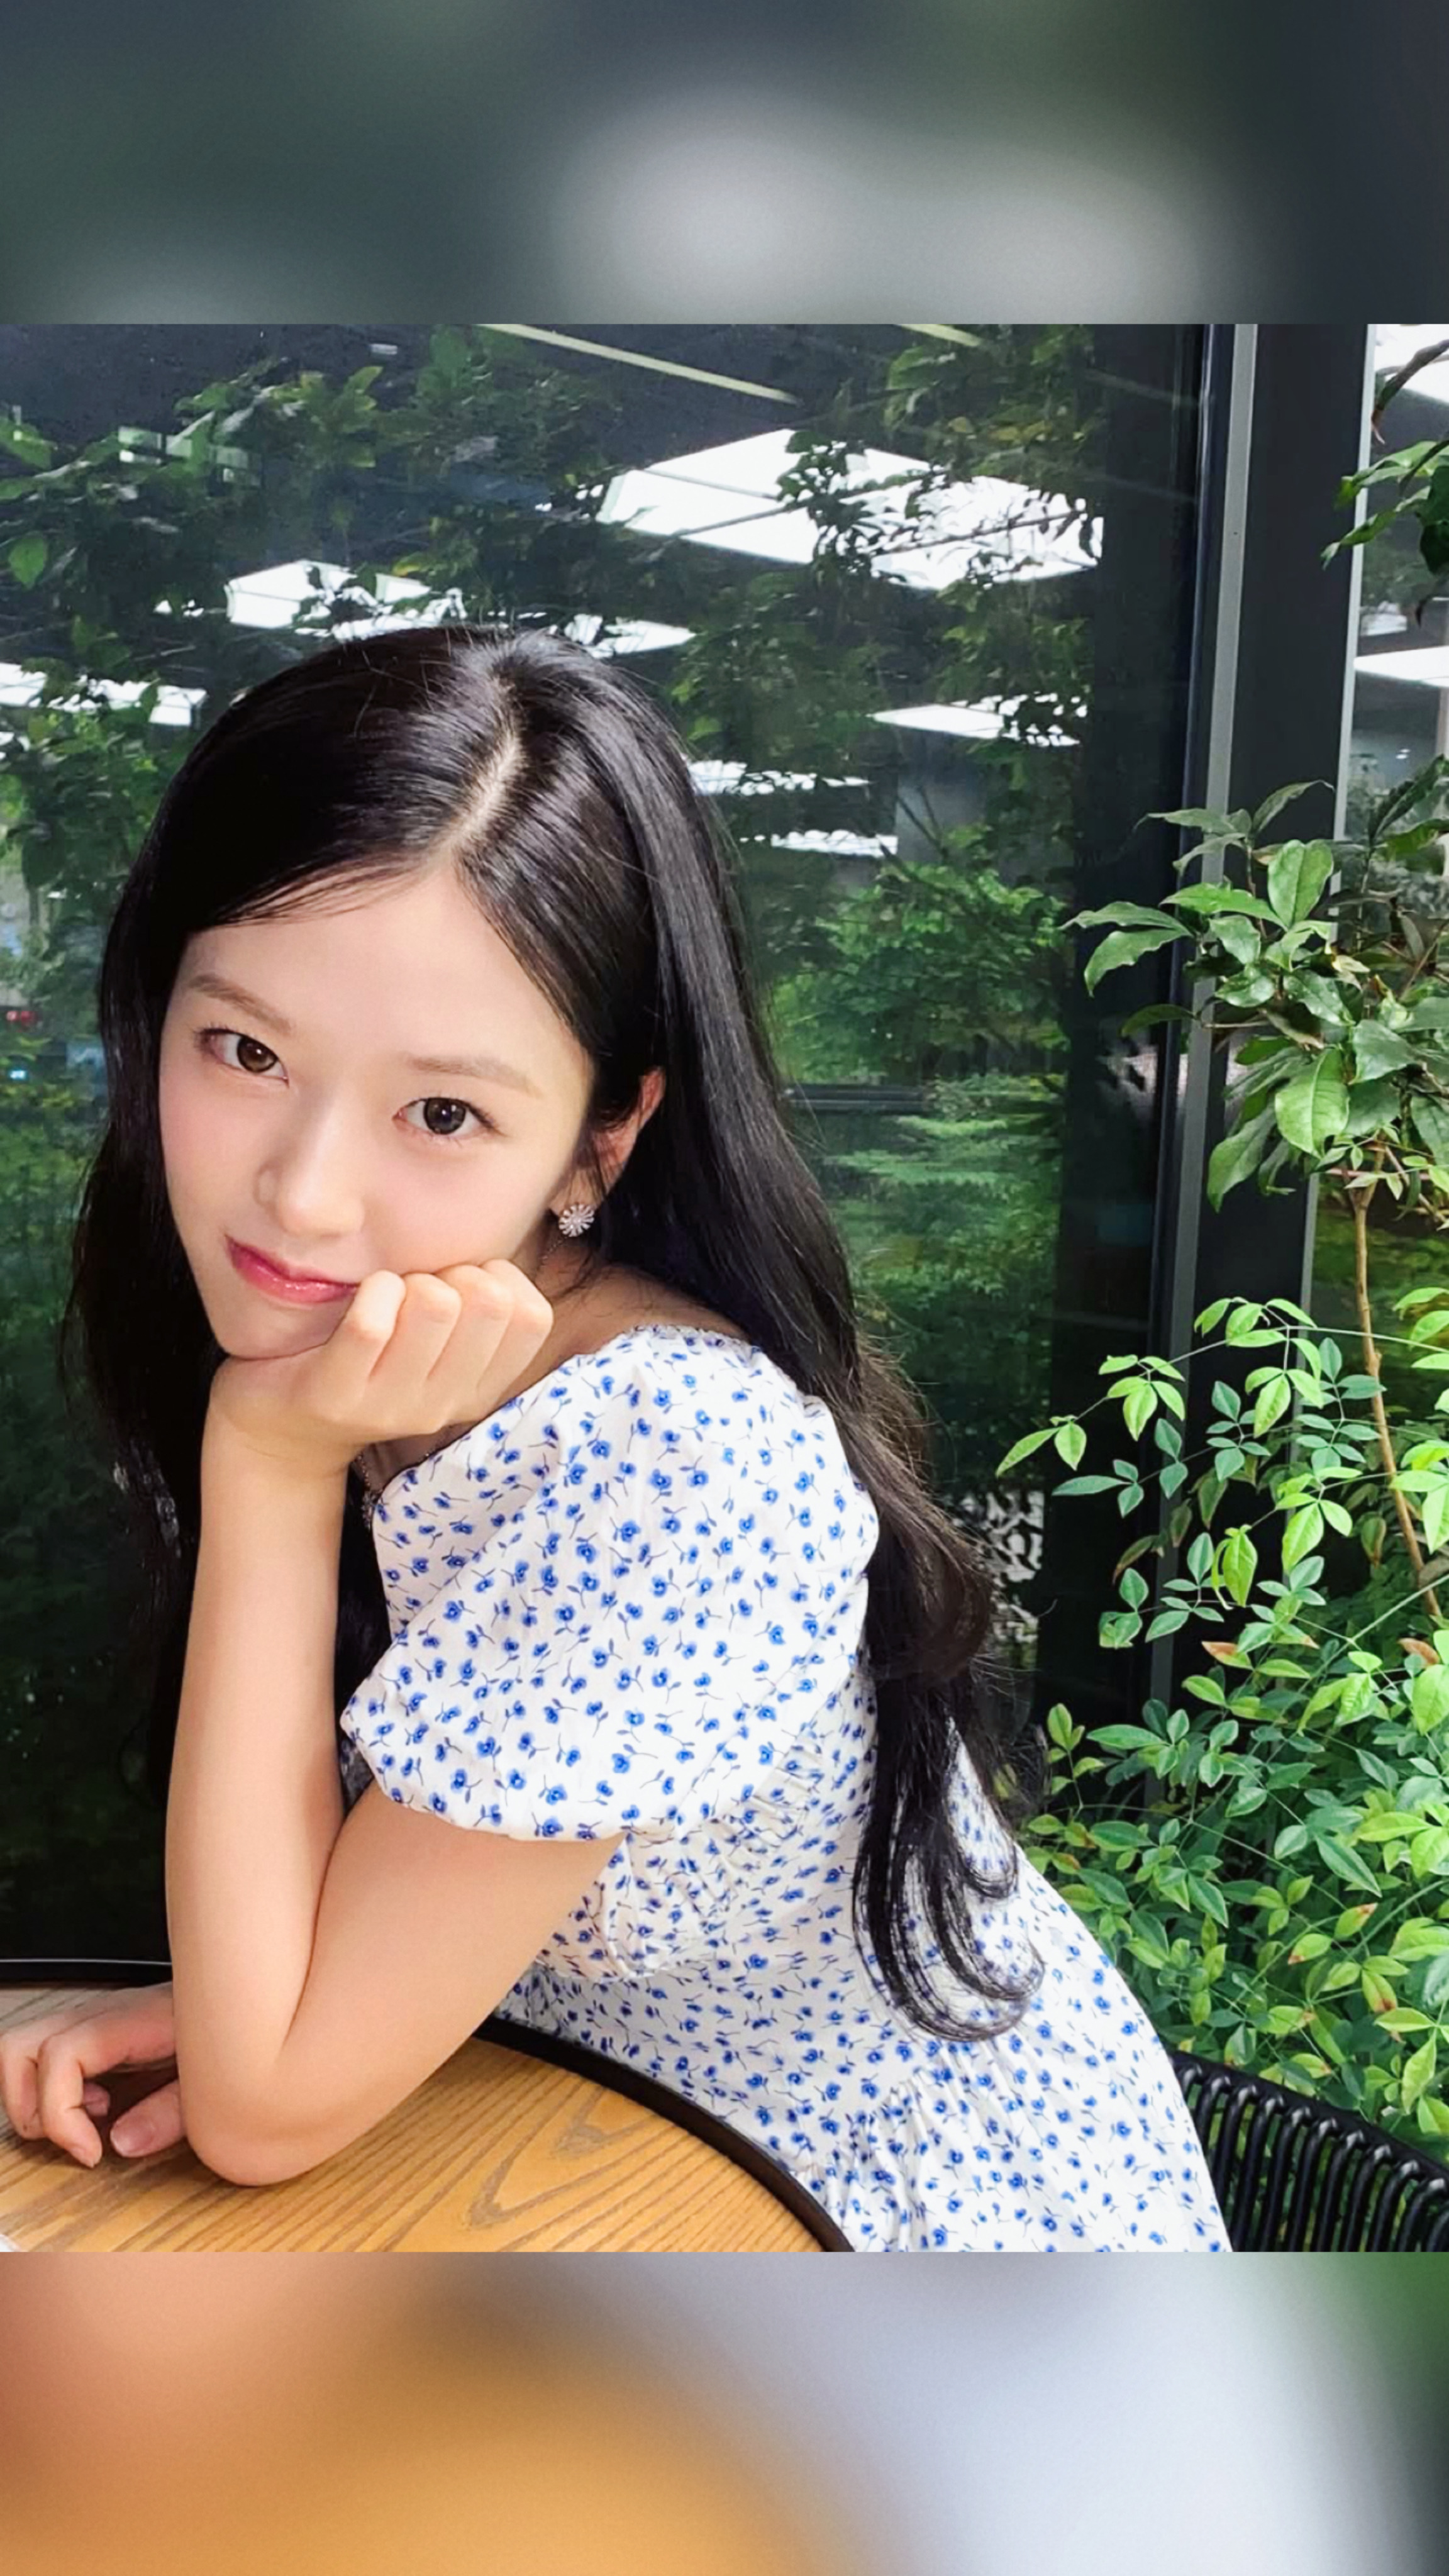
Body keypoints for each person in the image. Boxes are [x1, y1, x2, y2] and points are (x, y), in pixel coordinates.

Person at [0, 621, 1226, 2250]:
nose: (303, 1193)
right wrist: (274, 1983)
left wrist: (269, 1468)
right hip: (596, 2148)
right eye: (247, 1050)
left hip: (914, 2231)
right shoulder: (386, 1359)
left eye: (443, 1112)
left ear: (602, 1136)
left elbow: (265, 2107)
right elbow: (360, 1974)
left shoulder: (672, 1463)